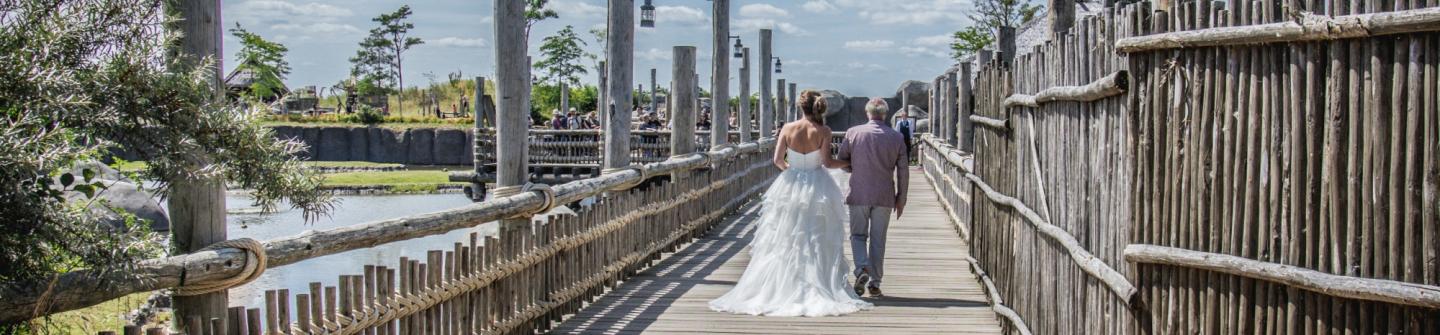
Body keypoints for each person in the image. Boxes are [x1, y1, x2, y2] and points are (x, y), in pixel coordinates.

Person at [709, 90, 872, 317]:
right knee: (815, 237)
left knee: (785, 236)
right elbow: (827, 162)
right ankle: (816, 284)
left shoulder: (787, 128)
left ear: (801, 107)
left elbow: (777, 160)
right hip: (817, 185)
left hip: (790, 183)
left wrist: (793, 172)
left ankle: (780, 286)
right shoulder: (823, 131)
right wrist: (848, 163)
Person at [837, 98, 909, 297]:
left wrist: (855, 169)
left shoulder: (853, 132)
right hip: (884, 195)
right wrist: (901, 198)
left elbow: (842, 161)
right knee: (878, 240)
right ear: (885, 114)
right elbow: (903, 171)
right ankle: (875, 283)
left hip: (858, 192)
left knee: (858, 235)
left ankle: (861, 269)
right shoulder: (896, 137)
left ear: (867, 113)